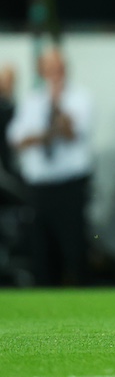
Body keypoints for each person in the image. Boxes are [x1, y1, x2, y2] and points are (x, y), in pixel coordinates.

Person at [6, 46, 94, 286]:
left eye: (58, 68)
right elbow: (17, 139)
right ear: (42, 71)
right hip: (39, 187)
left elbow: (71, 132)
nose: (54, 73)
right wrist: (47, 133)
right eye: (49, 69)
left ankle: (81, 293)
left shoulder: (80, 97)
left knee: (73, 246)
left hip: (69, 185)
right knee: (41, 248)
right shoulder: (32, 99)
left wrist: (56, 109)